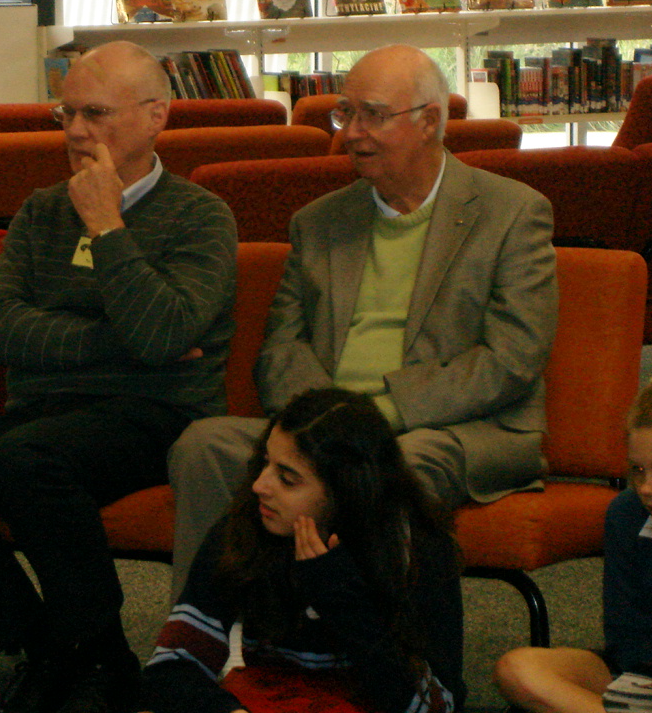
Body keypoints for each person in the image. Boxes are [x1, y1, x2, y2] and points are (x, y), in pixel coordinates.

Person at [0, 40, 239, 713]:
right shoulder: (44, 210)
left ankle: (87, 657)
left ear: (156, 115)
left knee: (27, 459)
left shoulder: (200, 216)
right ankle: (64, 647)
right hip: (49, 410)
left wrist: (107, 224)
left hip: (155, 412)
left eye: (95, 113)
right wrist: (118, 342)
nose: (75, 132)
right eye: (65, 114)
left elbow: (165, 333)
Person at [168, 43, 558, 597]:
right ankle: (204, 635)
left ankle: (377, 655)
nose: (350, 132)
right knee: (205, 446)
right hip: (321, 428)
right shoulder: (319, 222)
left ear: (429, 122)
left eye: (371, 114)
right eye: (344, 113)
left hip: (450, 430)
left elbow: (511, 358)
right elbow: (280, 350)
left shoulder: (512, 213)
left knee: (401, 467)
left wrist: (379, 419)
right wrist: (327, 429)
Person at [141, 388, 464, 713]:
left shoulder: (419, 547)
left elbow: (437, 706)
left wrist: (342, 598)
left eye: (287, 479)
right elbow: (170, 667)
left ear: (345, 491)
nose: (259, 486)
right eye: (266, 463)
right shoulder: (247, 525)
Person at [495, 359, 652, 713]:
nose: (647, 488)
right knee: (517, 669)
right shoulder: (627, 514)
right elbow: (626, 646)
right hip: (640, 678)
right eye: (637, 470)